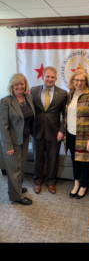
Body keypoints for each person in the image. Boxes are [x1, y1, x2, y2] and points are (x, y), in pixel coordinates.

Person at [31, 66, 67, 194]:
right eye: (47, 76)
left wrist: (62, 130)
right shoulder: (33, 90)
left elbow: (65, 114)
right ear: (43, 77)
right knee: (38, 158)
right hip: (37, 131)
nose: (50, 79)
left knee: (53, 158)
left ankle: (51, 181)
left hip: (54, 132)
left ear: (56, 78)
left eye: (52, 77)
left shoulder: (62, 93)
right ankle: (38, 181)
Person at [0, 73, 35, 205]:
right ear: (12, 85)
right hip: (12, 141)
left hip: (25, 138)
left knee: (21, 166)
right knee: (14, 168)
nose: (20, 86)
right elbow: (3, 126)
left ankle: (16, 189)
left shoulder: (29, 98)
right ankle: (16, 196)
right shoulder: (6, 101)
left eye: (22, 83)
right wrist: (8, 146)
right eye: (17, 84)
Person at [64, 69, 89, 199]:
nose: (79, 82)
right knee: (75, 159)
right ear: (73, 81)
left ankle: (84, 186)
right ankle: (76, 183)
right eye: (76, 80)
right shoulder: (70, 94)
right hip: (71, 133)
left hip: (86, 135)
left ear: (86, 82)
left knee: (85, 161)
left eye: (82, 80)